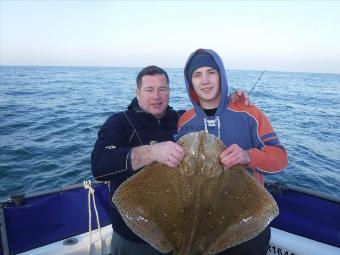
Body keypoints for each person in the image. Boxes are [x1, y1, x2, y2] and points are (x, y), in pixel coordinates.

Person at [91, 65, 252, 255]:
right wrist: (151, 153)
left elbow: (214, 117)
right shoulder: (119, 122)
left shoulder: (182, 119)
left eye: (162, 89)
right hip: (136, 236)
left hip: (189, 233)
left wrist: (230, 102)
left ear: (169, 91)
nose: (156, 96)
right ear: (138, 92)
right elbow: (100, 166)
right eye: (149, 90)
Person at [177, 49, 288, 255]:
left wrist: (249, 156)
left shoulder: (249, 112)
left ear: (221, 75)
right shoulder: (184, 121)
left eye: (211, 72)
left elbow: (280, 159)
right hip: (202, 227)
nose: (205, 80)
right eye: (197, 74)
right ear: (190, 82)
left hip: (248, 222)